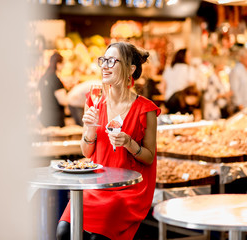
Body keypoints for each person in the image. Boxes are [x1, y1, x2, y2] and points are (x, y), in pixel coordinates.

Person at [56, 42, 161, 240]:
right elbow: (87, 152)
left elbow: (148, 158)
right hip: (96, 183)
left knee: (98, 238)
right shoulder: (95, 102)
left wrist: (129, 143)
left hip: (127, 189)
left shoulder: (146, 109)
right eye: (103, 60)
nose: (104, 65)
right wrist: (89, 129)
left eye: (112, 61)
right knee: (63, 232)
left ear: (130, 69)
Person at [38, 52, 67, 127]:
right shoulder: (55, 79)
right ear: (58, 64)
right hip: (55, 120)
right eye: (62, 64)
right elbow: (63, 101)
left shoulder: (43, 78)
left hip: (44, 117)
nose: (63, 67)